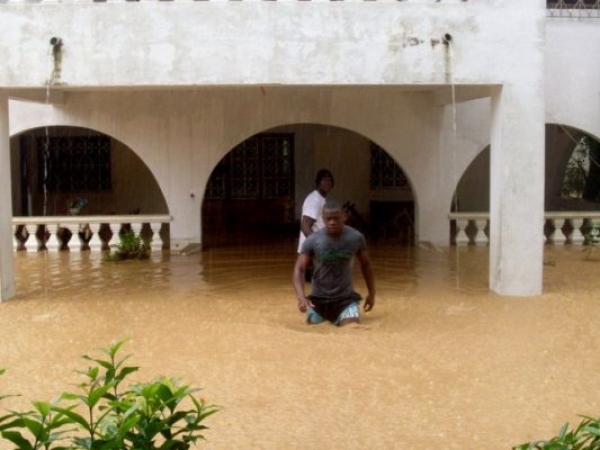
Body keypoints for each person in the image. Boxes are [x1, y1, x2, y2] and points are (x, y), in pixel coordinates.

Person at [293, 199, 376, 326]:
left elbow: (366, 265)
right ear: (323, 219)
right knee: (314, 331)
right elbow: (299, 269)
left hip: (345, 300)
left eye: (336, 218)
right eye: (328, 219)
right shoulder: (313, 240)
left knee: (351, 329)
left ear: (344, 217)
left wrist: (372, 294)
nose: (332, 222)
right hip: (318, 301)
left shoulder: (356, 238)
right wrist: (301, 298)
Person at [297, 169, 334, 253]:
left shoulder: (320, 199)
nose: (328, 183)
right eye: (324, 180)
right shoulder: (315, 199)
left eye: (330, 180)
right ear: (318, 182)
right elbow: (305, 226)